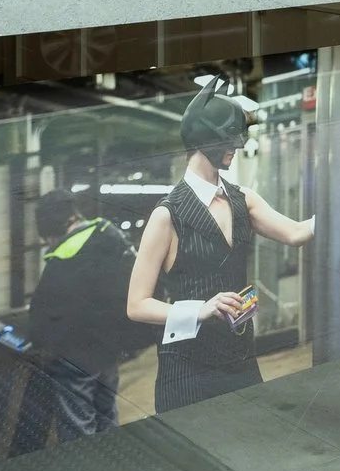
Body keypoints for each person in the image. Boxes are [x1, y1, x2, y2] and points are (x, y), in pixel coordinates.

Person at [125, 84, 315, 411]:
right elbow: (136, 304)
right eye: (229, 140)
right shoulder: (168, 215)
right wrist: (199, 310)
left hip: (240, 357)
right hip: (187, 368)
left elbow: (297, 233)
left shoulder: (244, 200)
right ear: (204, 140)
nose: (237, 147)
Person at [22, 190, 148, 437]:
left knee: (78, 424)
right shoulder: (110, 238)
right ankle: (111, 457)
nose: (48, 243)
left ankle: (85, 462)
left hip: (76, 355)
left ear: (53, 229)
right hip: (109, 348)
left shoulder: (66, 257)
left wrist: (39, 344)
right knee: (106, 413)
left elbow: (44, 311)